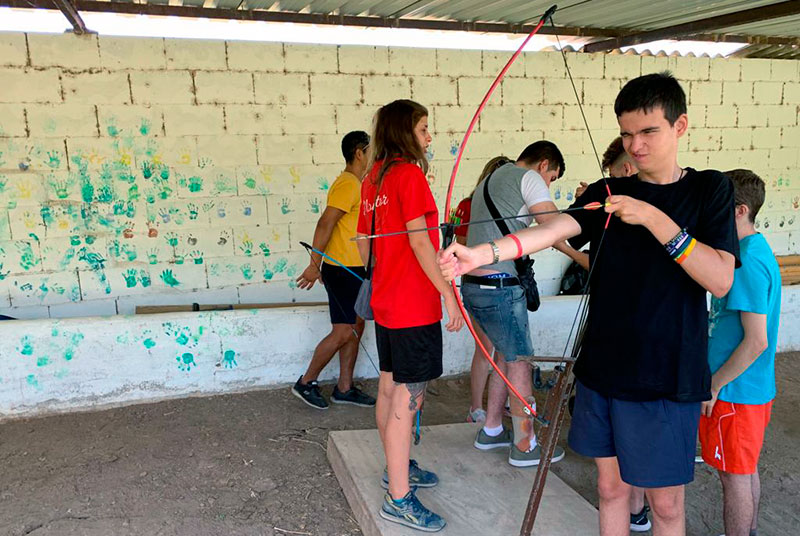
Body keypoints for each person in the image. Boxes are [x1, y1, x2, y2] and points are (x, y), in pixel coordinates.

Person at [439, 72, 739, 536]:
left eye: (648, 131)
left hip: (666, 374)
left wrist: (657, 221)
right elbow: (551, 230)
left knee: (665, 508)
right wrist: (482, 253)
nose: (634, 145)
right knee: (611, 490)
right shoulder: (607, 194)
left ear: (680, 127)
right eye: (626, 132)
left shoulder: (709, 190)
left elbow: (719, 279)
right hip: (602, 370)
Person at [357, 99, 464, 532]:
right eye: (423, 128)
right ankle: (398, 497)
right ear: (405, 132)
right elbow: (422, 245)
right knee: (407, 395)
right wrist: (449, 296)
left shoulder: (372, 179)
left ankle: (395, 470)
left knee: (390, 387)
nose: (428, 136)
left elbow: (364, 245)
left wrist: (388, 271)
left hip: (386, 302)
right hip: (413, 305)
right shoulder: (409, 175)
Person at [463, 141, 573, 468]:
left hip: (474, 284)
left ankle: (492, 429)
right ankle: (525, 445)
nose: (548, 184)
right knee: (521, 362)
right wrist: (584, 211)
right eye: (551, 177)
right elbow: (553, 225)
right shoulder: (528, 178)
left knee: (504, 356)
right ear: (543, 164)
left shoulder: (491, 179)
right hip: (500, 285)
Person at [699, 169, 780, 536]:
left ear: (738, 211)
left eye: (718, 208)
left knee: (733, 477)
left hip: (734, 393)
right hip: (748, 390)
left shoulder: (746, 260)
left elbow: (756, 340)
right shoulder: (752, 250)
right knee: (743, 471)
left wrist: (715, 385)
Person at [292, 131, 376, 410]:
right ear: (359, 153)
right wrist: (315, 265)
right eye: (371, 150)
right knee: (343, 331)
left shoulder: (358, 184)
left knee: (356, 327)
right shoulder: (348, 184)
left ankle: (344, 388)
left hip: (356, 268)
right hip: (341, 269)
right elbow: (325, 224)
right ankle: (306, 382)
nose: (375, 155)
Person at [452, 156, 511, 424]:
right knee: (485, 348)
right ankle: (477, 408)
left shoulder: (510, 204)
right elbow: (461, 244)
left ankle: (501, 405)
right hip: (480, 283)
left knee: (506, 350)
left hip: (507, 282)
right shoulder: (469, 204)